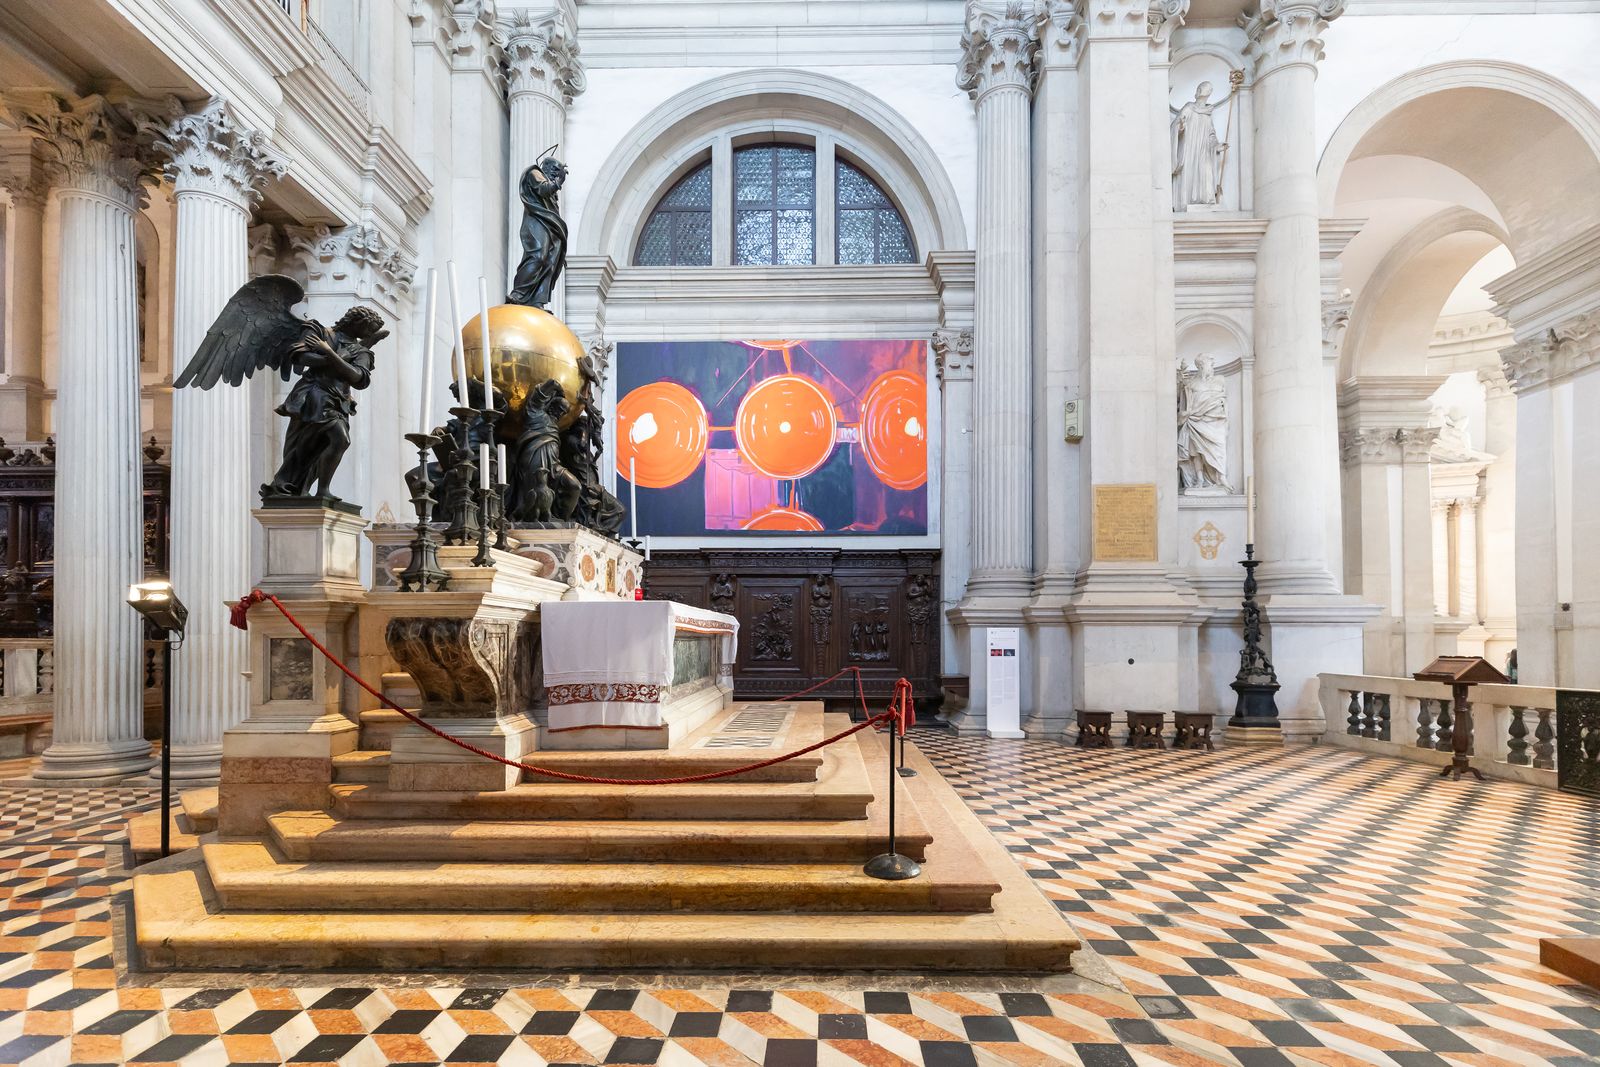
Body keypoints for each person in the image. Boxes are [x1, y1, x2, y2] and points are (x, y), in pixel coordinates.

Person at [263, 306, 387, 500]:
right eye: (368, 329)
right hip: (314, 395)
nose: (369, 334)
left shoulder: (361, 351)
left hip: (340, 402)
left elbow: (358, 377)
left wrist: (329, 353)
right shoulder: (318, 330)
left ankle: (317, 489)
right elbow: (302, 357)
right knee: (333, 440)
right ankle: (316, 489)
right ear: (357, 323)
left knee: (318, 446)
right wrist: (338, 359)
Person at [508, 157, 568, 308]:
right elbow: (543, 189)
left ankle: (537, 300)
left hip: (550, 228)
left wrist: (560, 247)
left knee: (550, 262)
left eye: (558, 172)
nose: (555, 175)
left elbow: (554, 214)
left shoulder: (552, 189)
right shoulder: (534, 173)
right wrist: (557, 183)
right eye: (554, 170)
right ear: (545, 166)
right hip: (536, 223)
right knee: (538, 255)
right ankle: (519, 293)